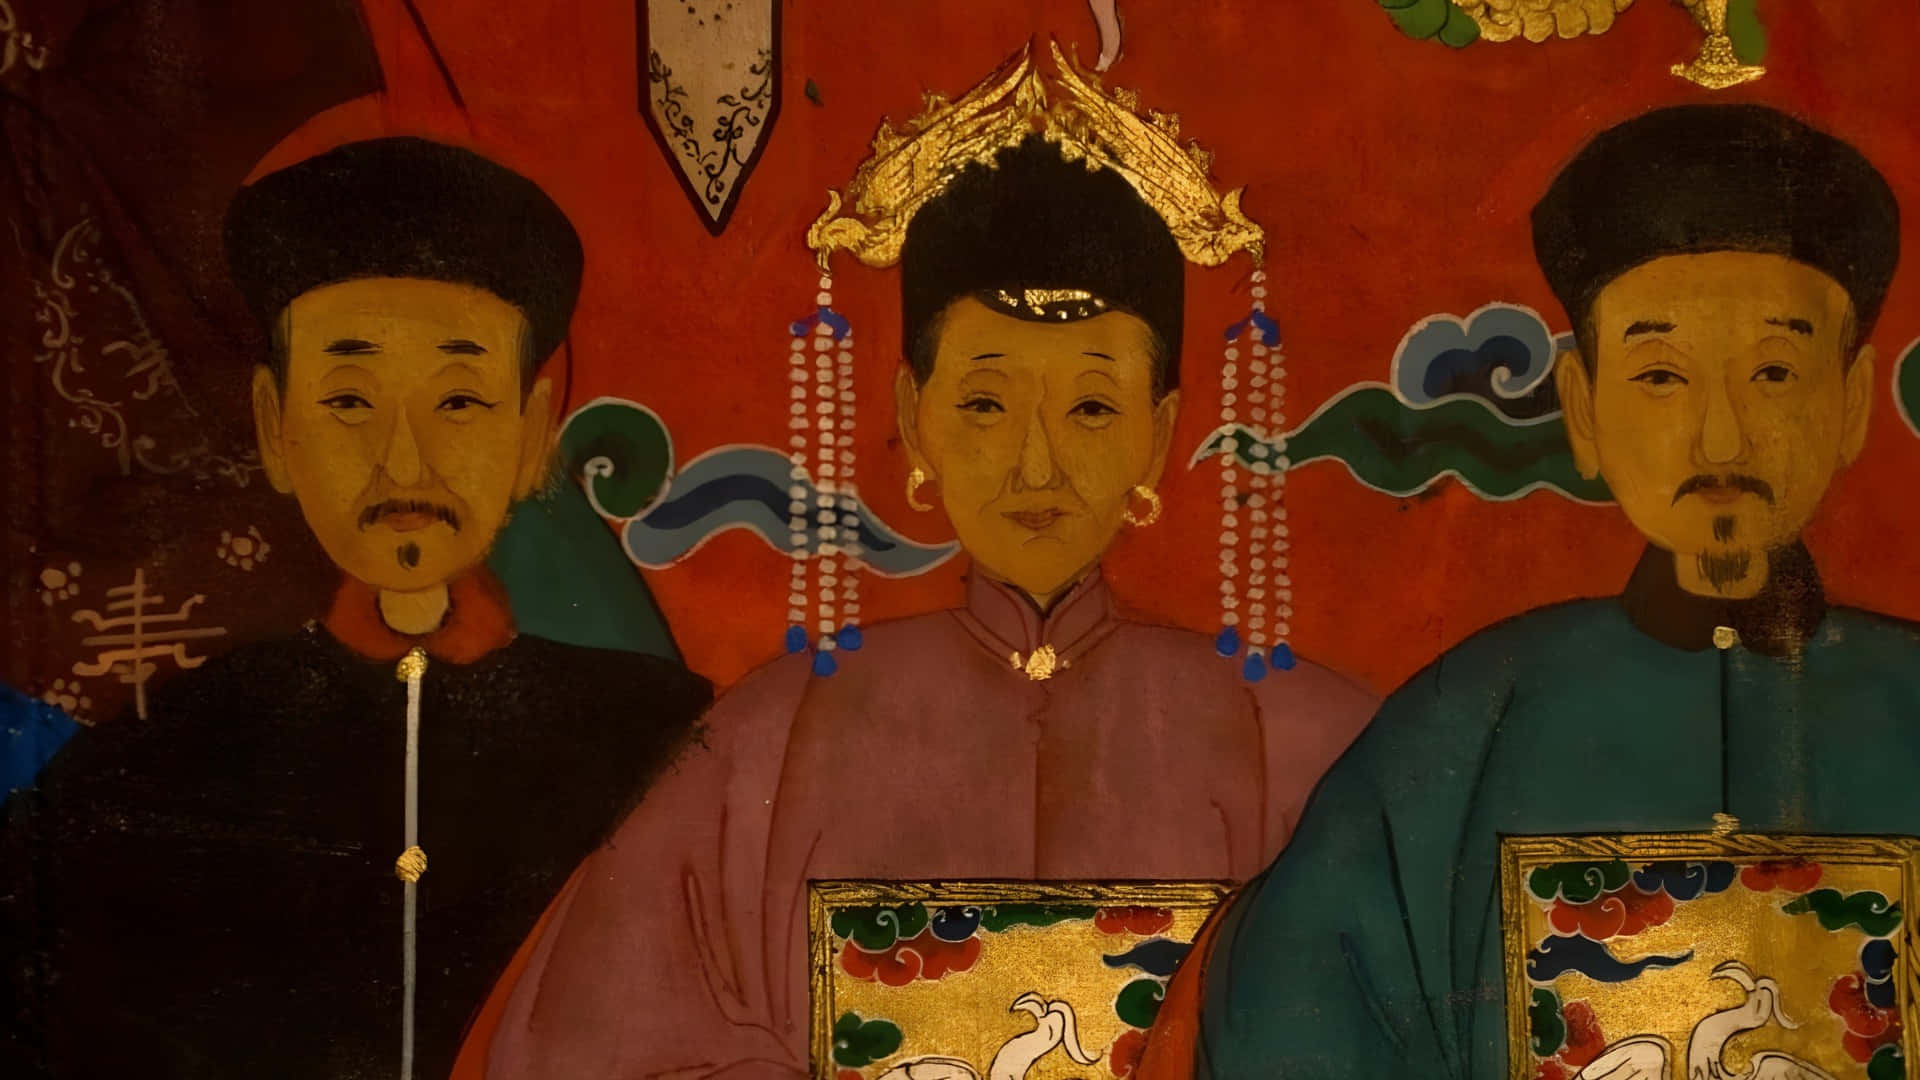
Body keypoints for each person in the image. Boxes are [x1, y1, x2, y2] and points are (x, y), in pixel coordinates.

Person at [469, 82, 1377, 1079]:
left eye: (1091, 408)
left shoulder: (1307, 746)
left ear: (1159, 434)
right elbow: (599, 1046)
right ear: (914, 415)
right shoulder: (766, 742)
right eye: (985, 403)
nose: (1037, 466)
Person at [1137, 103, 1920, 1080]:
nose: (1721, 438)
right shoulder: (1467, 722)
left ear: (1851, 403)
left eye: (1774, 371)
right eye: (1661, 377)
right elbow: (1300, 1018)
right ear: (1583, 408)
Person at [0, 137, 713, 1079]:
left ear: (532, 433)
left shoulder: (669, 740)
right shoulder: (151, 761)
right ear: (274, 428)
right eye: (348, 400)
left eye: (459, 402)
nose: (403, 461)